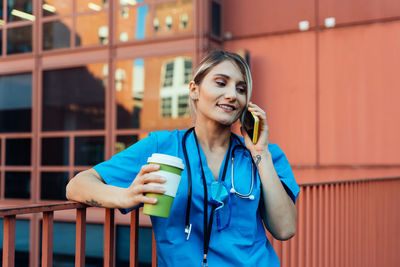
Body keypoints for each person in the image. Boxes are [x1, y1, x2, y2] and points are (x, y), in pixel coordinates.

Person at [66, 50, 299, 266]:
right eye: (221, 83)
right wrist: (125, 196)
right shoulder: (162, 146)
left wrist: (261, 154)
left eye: (241, 89)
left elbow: (285, 229)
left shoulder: (264, 154)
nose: (231, 95)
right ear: (194, 90)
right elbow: (77, 185)